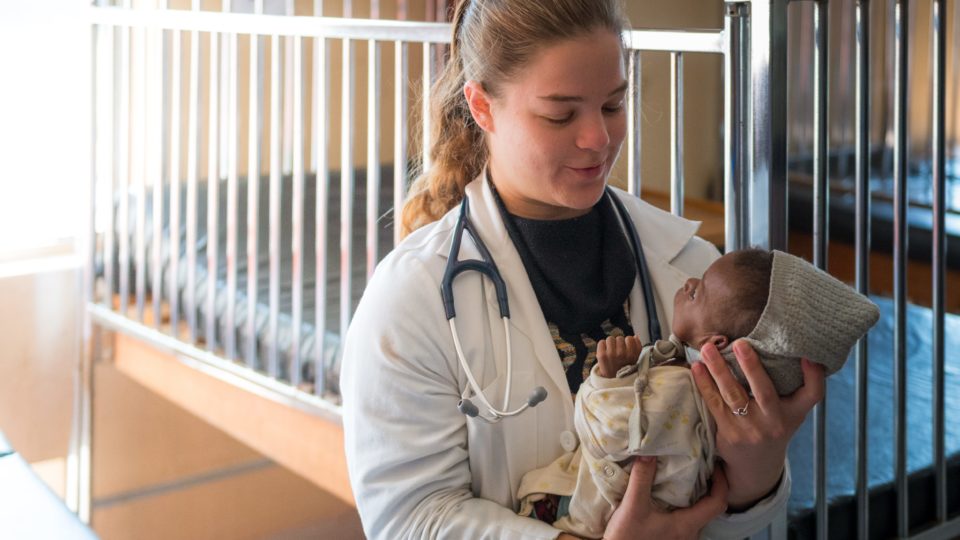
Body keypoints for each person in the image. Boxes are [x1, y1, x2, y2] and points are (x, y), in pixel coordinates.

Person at [340, 1, 826, 538]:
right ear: (481, 106)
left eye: (613, 105)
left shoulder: (694, 271)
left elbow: (738, 518)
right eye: (560, 114)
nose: (598, 138)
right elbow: (410, 518)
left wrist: (758, 468)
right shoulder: (411, 298)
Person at [517, 249, 880, 538]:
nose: (689, 280)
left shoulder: (680, 387)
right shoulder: (694, 378)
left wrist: (607, 380)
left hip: (582, 518)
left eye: (698, 289)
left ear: (717, 343)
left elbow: (608, 432)